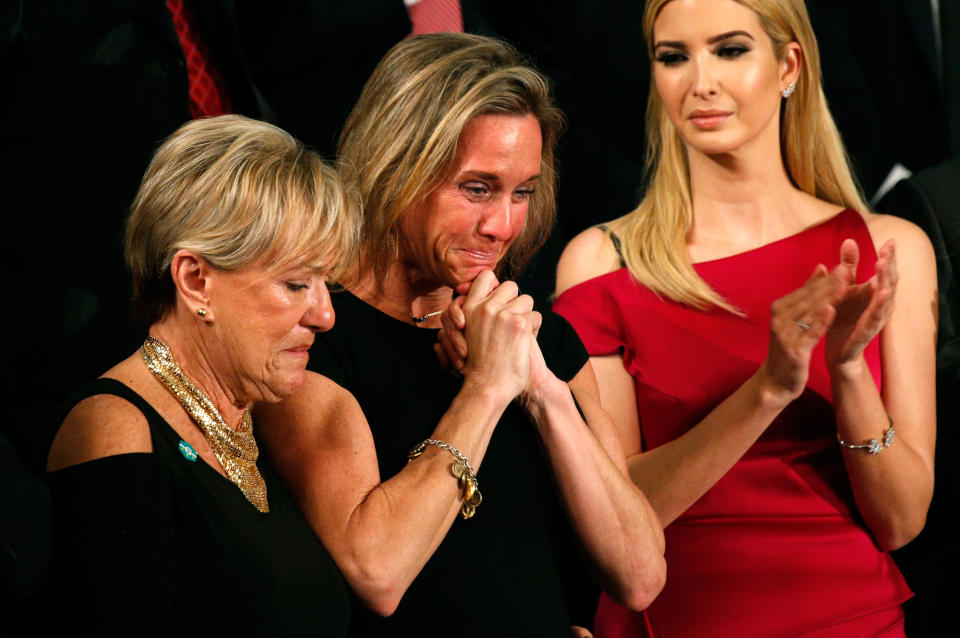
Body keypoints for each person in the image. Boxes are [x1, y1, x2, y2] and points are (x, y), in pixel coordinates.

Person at [255, 33, 665, 638]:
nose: (502, 225)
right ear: (396, 166)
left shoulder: (540, 338)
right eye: (477, 189)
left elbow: (638, 574)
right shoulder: (316, 335)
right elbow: (377, 573)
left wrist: (541, 390)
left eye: (521, 192)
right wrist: (488, 388)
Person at [550, 0, 936, 636]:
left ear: (789, 64)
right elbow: (616, 515)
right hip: (678, 617)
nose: (700, 81)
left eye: (729, 50)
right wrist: (768, 388)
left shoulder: (889, 246)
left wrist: (846, 371)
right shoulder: (601, 262)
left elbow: (901, 521)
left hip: (852, 617)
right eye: (674, 57)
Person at [38, 115, 359, 637]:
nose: (325, 315)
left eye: (327, 283)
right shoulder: (113, 429)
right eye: (297, 283)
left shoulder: (257, 421)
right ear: (195, 280)